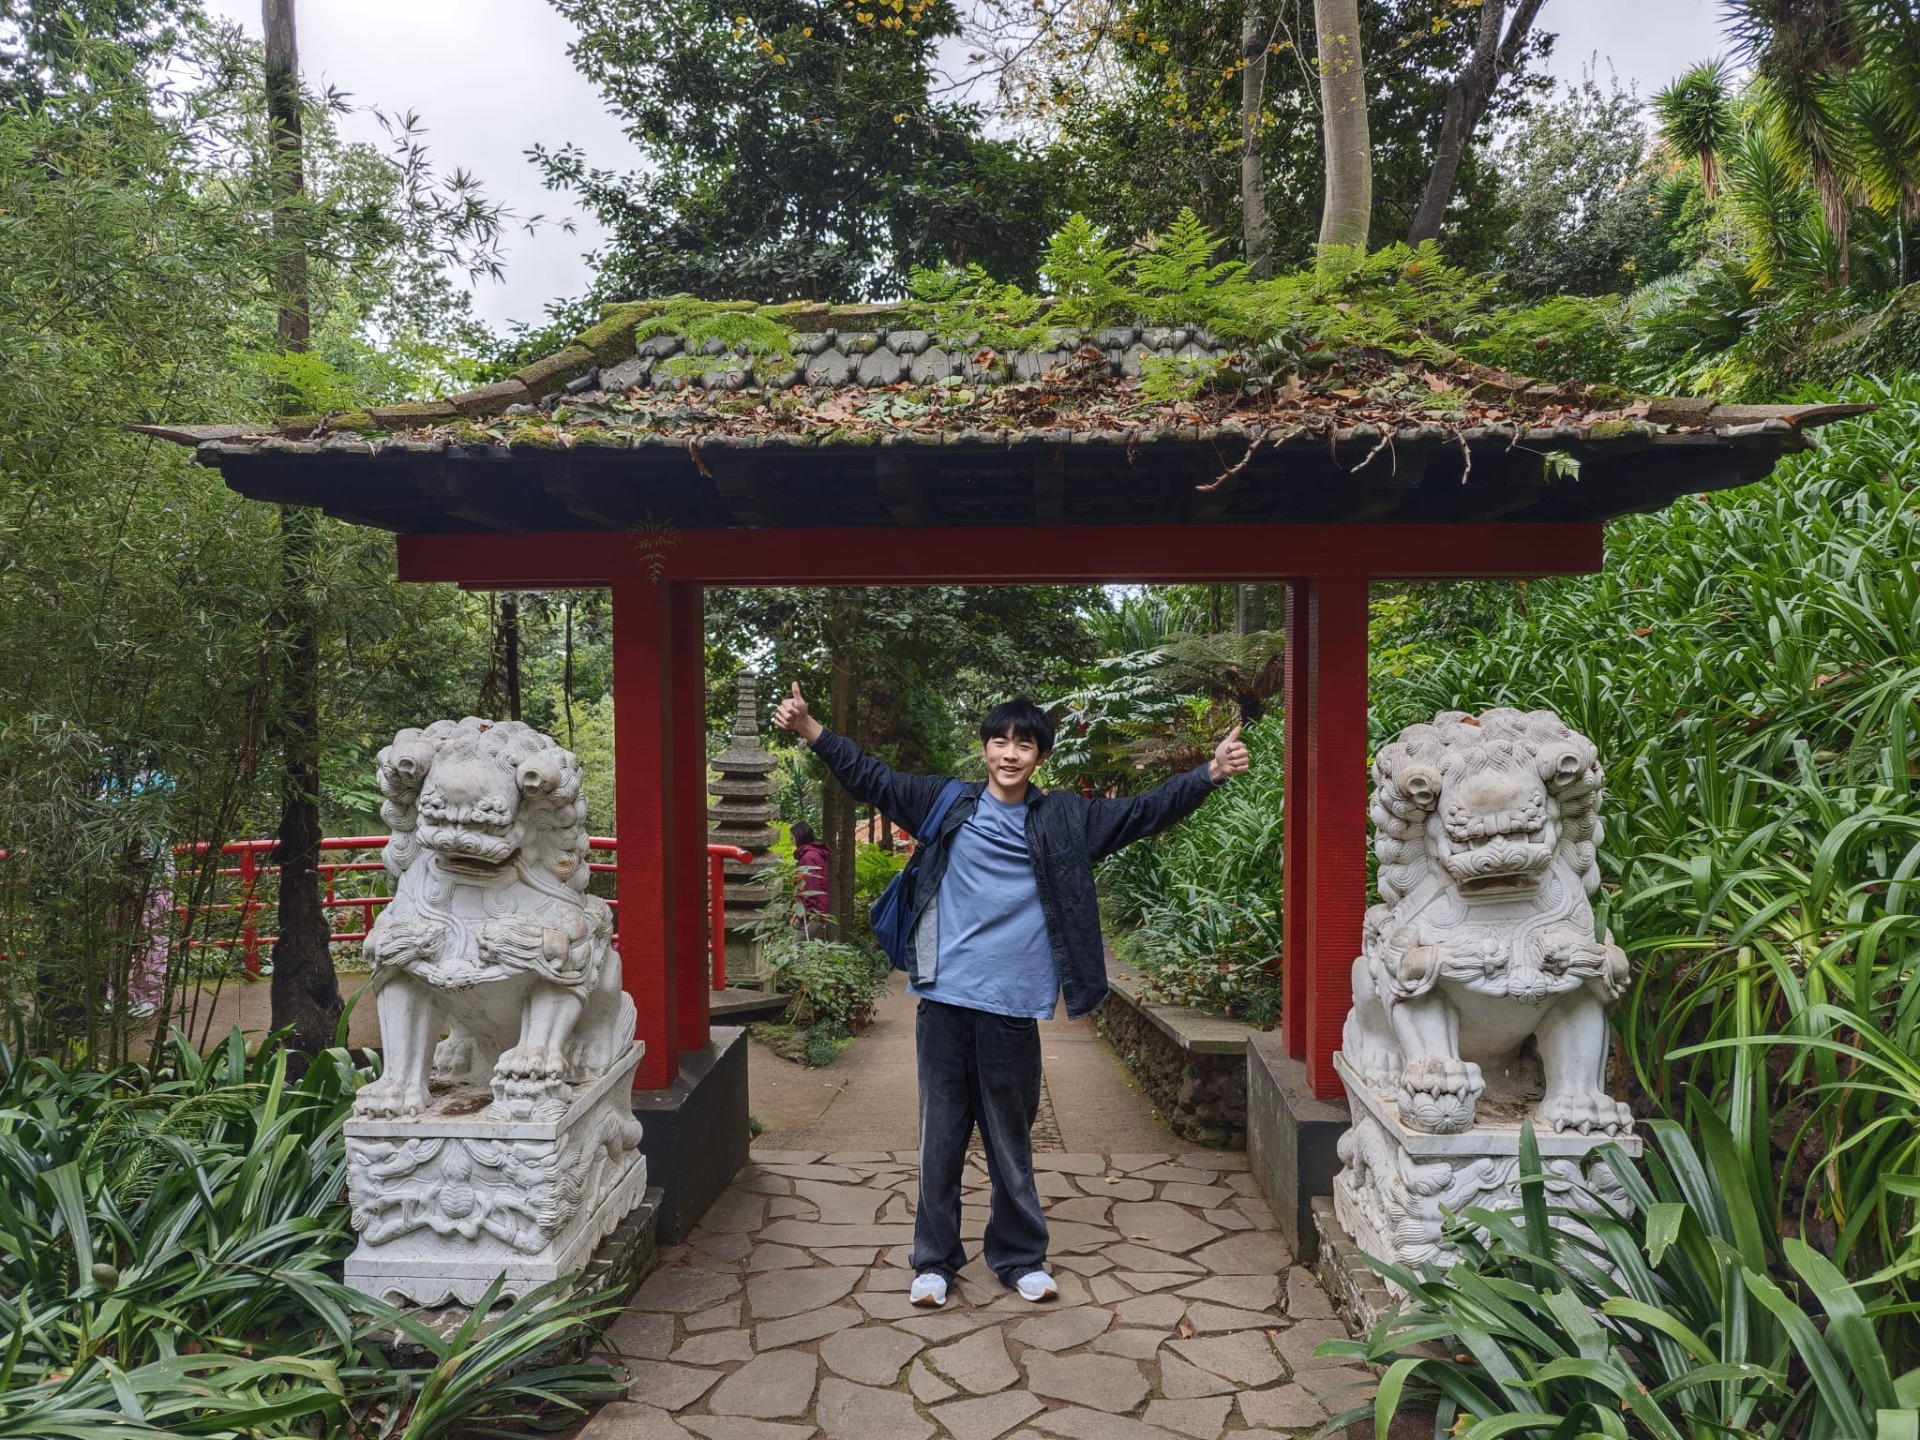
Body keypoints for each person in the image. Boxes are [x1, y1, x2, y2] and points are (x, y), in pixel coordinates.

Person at [773, 684, 1249, 1308]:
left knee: (1010, 1139)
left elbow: (1141, 812)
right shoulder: (945, 803)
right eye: (1000, 740)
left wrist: (1209, 773)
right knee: (940, 1137)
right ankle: (934, 1262)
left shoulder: (1064, 820)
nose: (1010, 753)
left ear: (1040, 757)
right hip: (943, 999)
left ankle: (1020, 1257)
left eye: (1024, 744)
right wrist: (811, 727)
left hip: (1013, 1006)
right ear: (984, 748)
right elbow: (873, 778)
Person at [789, 820, 831, 940]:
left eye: (792, 837)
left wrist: (802, 916)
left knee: (798, 951)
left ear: (798, 837)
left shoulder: (808, 858)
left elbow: (810, 889)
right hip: (817, 910)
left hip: (812, 913)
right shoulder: (813, 854)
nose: (791, 840)